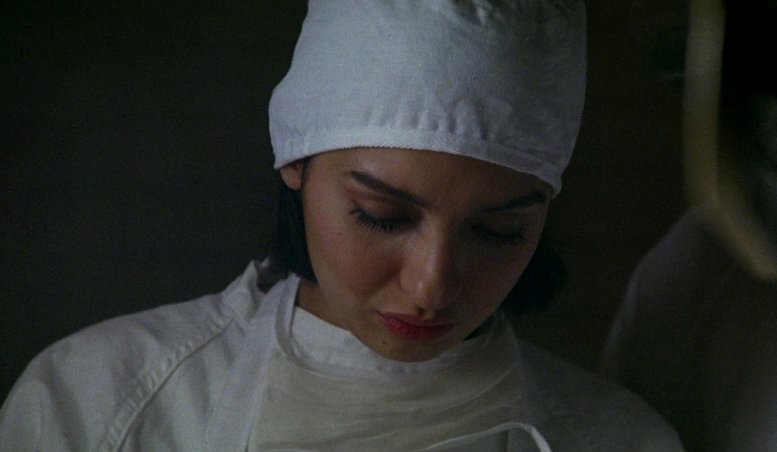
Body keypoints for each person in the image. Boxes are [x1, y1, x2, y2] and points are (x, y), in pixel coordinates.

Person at [0, 1, 681, 450]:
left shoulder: (617, 439)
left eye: (498, 231)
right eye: (383, 217)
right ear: (295, 164)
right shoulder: (95, 401)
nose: (431, 286)